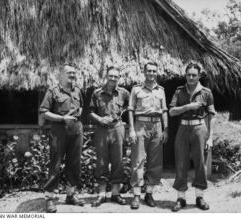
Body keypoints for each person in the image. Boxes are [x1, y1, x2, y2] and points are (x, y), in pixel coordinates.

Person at [169, 61, 215, 211]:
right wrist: (187, 107)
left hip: (200, 128)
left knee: (200, 161)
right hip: (183, 128)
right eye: (188, 74)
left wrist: (210, 137)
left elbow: (212, 115)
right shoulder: (179, 91)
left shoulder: (206, 92)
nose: (190, 77)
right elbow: (171, 112)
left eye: (194, 75)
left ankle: (199, 197)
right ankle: (181, 198)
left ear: (199, 75)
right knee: (181, 162)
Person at [39, 63, 84, 213]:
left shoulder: (77, 90)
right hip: (59, 130)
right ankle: (50, 198)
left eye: (73, 73)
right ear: (61, 75)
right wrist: (62, 118)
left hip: (76, 130)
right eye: (69, 73)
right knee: (56, 163)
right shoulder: (53, 91)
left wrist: (75, 116)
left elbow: (81, 106)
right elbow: (44, 112)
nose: (72, 75)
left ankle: (70, 195)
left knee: (74, 163)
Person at [128, 62, 169, 209]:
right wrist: (132, 129)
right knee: (138, 161)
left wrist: (166, 129)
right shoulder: (136, 89)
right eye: (149, 71)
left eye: (154, 71)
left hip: (157, 126)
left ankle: (149, 194)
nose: (151, 73)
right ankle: (137, 196)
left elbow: (164, 110)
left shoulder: (161, 90)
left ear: (156, 72)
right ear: (144, 72)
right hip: (141, 125)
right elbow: (131, 110)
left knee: (156, 162)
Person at [89, 66, 129, 207]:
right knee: (101, 161)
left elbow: (129, 108)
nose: (113, 78)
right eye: (110, 76)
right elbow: (91, 111)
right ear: (106, 76)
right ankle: (101, 195)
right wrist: (99, 119)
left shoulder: (124, 93)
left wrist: (120, 118)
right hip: (101, 129)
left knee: (118, 160)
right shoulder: (97, 93)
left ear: (119, 78)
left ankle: (115, 194)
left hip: (117, 129)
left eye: (115, 76)